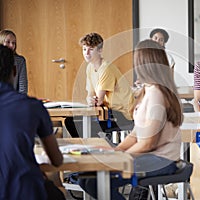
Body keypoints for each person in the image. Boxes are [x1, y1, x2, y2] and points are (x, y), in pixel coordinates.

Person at [79, 39, 183, 200]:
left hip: (161, 160)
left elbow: (148, 143)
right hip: (151, 157)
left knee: (94, 181)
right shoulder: (148, 90)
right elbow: (135, 134)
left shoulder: (157, 94)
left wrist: (119, 157)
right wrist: (116, 151)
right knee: (86, 179)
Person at [0, 45, 64, 199]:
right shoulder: (33, 106)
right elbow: (56, 160)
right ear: (15, 71)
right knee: (58, 194)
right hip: (24, 191)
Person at [65, 32, 134, 137]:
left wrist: (94, 100)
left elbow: (99, 100)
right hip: (107, 111)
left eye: (91, 49)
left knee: (72, 122)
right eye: (84, 49)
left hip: (121, 115)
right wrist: (90, 99)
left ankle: (92, 147)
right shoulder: (90, 67)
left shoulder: (106, 68)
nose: (87, 53)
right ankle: (90, 146)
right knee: (70, 121)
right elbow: (90, 94)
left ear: (100, 50)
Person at [0, 29, 28, 94]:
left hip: (14, 99)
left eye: (13, 43)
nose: (11, 45)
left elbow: (23, 88)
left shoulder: (20, 61)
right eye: (8, 42)